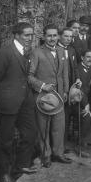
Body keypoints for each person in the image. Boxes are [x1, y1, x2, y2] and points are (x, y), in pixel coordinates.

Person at [0, 22, 37, 182]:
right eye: (26, 35)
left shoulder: (27, 51)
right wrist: (1, 96)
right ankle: (4, 173)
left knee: (30, 133)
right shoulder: (5, 52)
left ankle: (21, 165)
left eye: (32, 35)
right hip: (8, 103)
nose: (30, 38)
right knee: (6, 140)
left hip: (26, 101)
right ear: (16, 35)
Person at [28, 24, 71, 167]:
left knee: (59, 126)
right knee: (44, 127)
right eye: (49, 35)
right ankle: (45, 155)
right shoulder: (37, 52)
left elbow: (64, 73)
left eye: (54, 35)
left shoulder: (61, 51)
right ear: (44, 37)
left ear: (58, 36)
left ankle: (58, 154)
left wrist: (65, 91)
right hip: (43, 98)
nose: (52, 38)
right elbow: (29, 76)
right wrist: (42, 86)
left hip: (59, 97)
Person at [57, 27, 82, 153]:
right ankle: (58, 145)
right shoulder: (55, 49)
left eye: (71, 37)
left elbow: (76, 67)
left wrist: (77, 78)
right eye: (66, 36)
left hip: (71, 86)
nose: (69, 39)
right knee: (60, 117)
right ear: (60, 36)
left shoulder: (72, 50)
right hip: (59, 88)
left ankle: (64, 144)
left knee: (67, 115)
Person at [70, 49, 91, 158]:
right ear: (82, 58)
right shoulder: (77, 69)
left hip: (87, 100)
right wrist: (86, 104)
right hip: (75, 101)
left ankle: (88, 140)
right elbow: (79, 89)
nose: (90, 59)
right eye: (88, 57)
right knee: (86, 115)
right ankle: (80, 146)